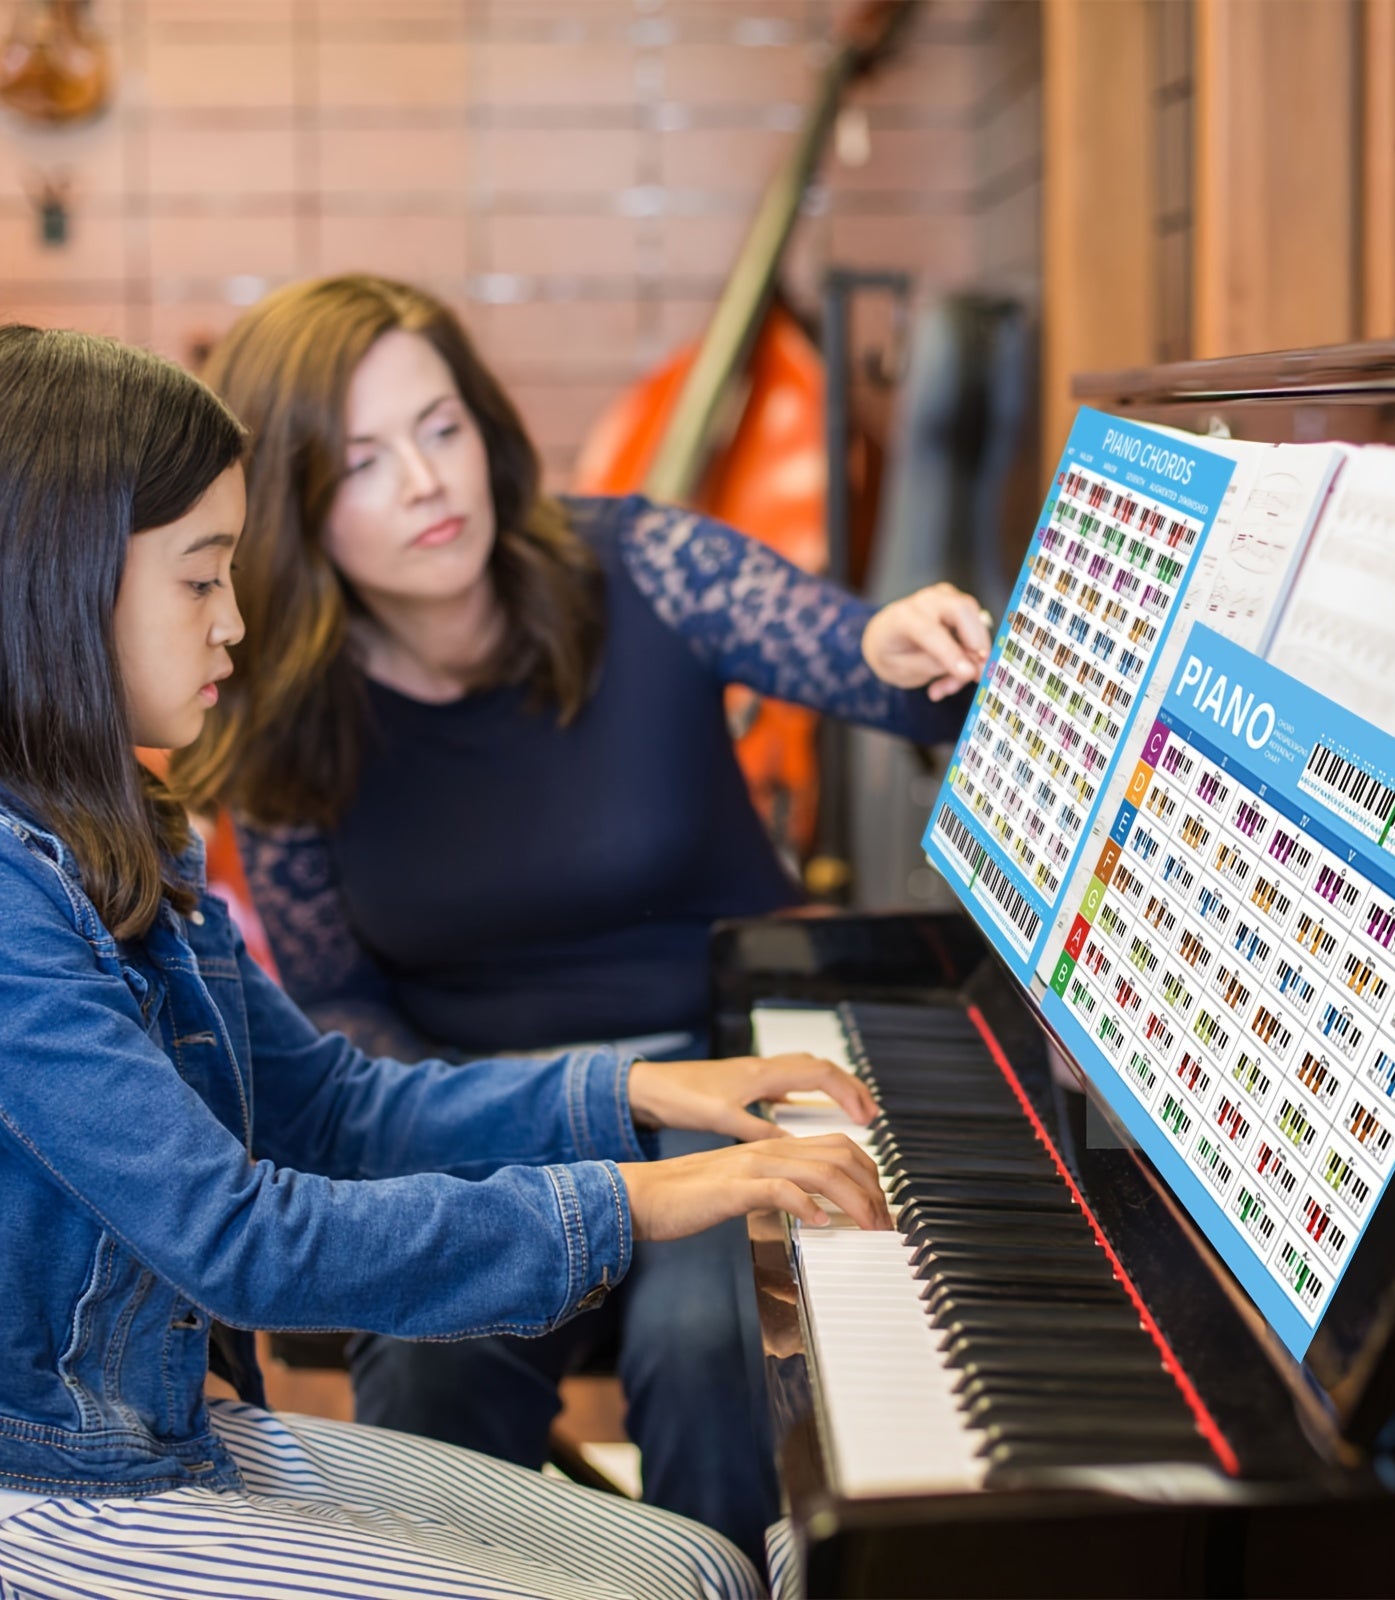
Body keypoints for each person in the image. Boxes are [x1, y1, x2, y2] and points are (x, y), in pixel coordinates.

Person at [0, 322, 893, 1600]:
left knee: (710, 1568)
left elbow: (332, 1105)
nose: (237, 624)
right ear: (57, 591)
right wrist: (650, 1195)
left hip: (158, 1429)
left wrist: (644, 1094)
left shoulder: (128, 834)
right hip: (52, 1486)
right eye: (200, 580)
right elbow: (242, 1238)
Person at [174, 274, 991, 1561]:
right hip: (484, 1119)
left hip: (731, 1073)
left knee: (713, 1342)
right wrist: (501, 1143)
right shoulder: (281, 713)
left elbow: (860, 658)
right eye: (362, 463)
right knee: (428, 1368)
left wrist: (899, 644)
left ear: (485, 425)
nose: (427, 485)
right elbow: (341, 1010)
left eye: (441, 430)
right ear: (289, 503)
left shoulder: (643, 563)